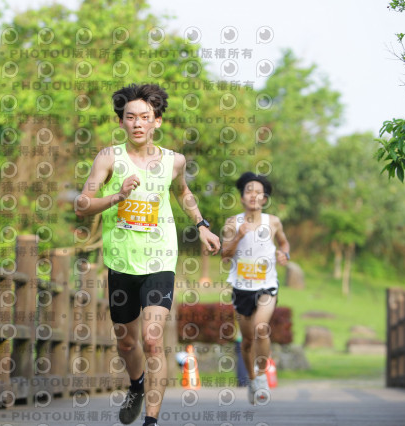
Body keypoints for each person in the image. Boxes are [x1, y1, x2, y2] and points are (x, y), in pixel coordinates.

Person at [75, 83, 221, 426]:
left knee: (152, 339)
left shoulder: (174, 161)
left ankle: (151, 422)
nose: (138, 123)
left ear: (157, 121)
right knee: (127, 343)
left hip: (160, 261)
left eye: (145, 116)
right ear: (121, 122)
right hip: (121, 261)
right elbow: (82, 204)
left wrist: (201, 224)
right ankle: (136, 385)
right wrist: (116, 197)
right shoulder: (108, 158)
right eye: (130, 117)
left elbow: (183, 193)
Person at [221, 172, 290, 405]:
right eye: (249, 191)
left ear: (264, 199)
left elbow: (284, 243)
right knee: (248, 340)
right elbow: (224, 256)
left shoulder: (273, 222)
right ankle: (251, 379)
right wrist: (238, 237)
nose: (253, 195)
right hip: (241, 288)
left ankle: (261, 377)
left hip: (267, 285)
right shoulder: (232, 223)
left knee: (261, 328)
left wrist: (284, 254)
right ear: (242, 197)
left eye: (259, 192)